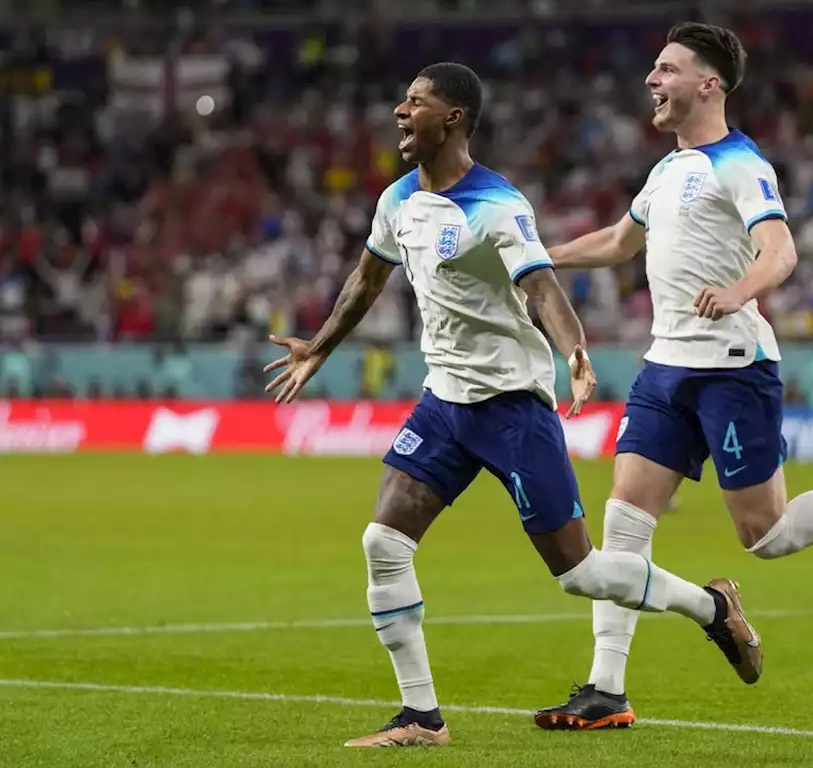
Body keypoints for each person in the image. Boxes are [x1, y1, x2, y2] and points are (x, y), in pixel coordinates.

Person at [263, 62, 763, 749]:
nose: (401, 112)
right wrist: (318, 347)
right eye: (401, 100)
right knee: (383, 542)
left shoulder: (498, 205)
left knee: (580, 572)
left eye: (417, 102)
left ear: (455, 118)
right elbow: (367, 278)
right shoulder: (398, 199)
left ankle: (712, 606)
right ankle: (420, 716)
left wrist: (576, 351)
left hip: (511, 406)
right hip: (444, 403)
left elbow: (541, 287)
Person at [532, 23, 813, 732]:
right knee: (623, 517)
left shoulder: (740, 163)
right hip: (665, 367)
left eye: (666, 68)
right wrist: (538, 259)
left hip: (734, 369)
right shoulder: (668, 169)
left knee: (766, 535)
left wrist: (740, 290)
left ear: (709, 84)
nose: (651, 79)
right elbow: (617, 241)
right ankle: (606, 690)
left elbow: (781, 249)